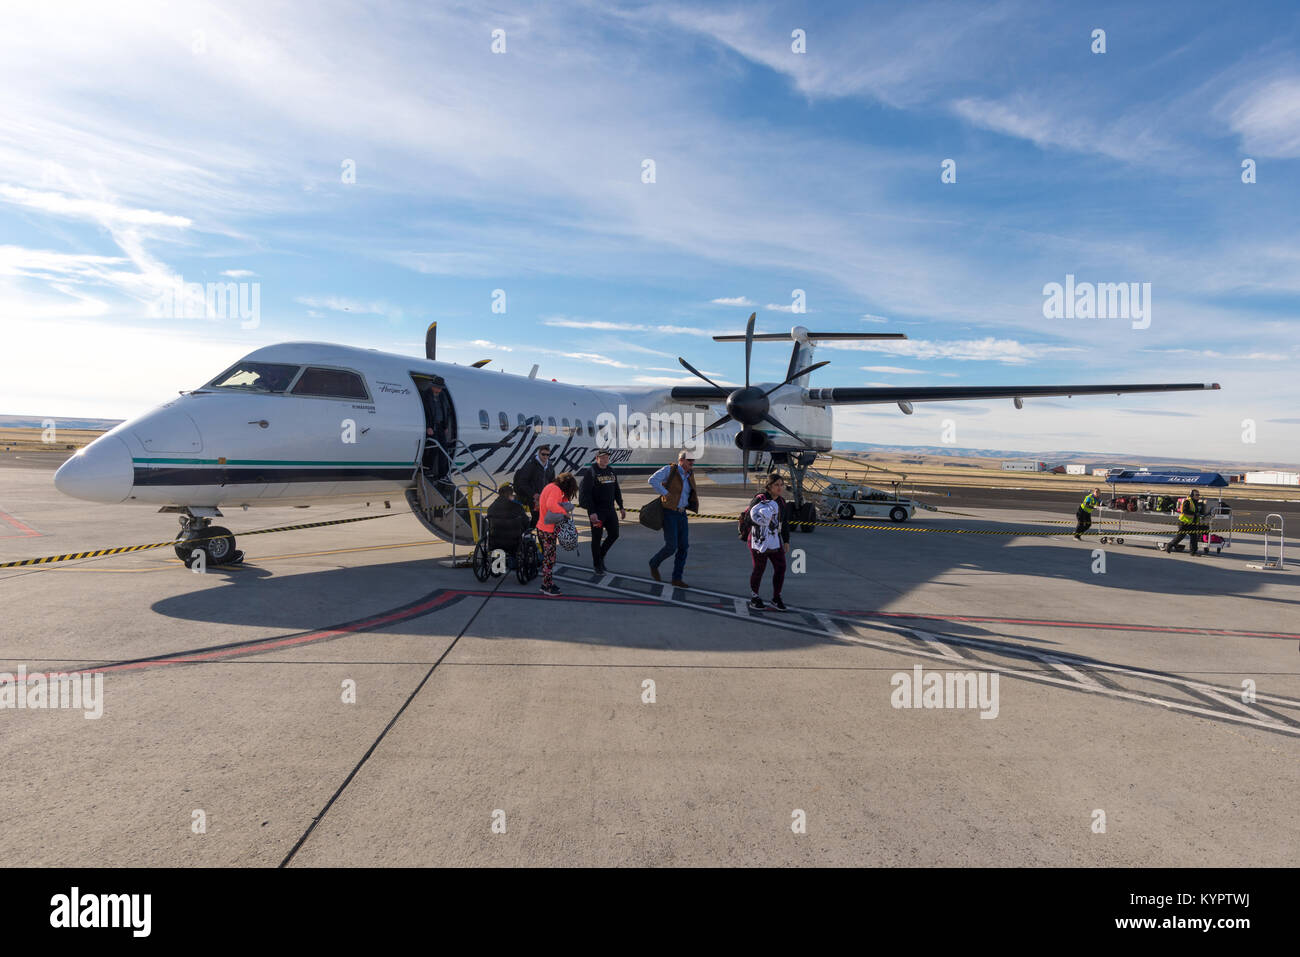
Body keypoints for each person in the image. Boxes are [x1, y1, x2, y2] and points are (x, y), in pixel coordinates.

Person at [648, 450, 698, 587]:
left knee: (684, 547)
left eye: (693, 460)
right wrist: (665, 493)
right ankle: (654, 563)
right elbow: (652, 480)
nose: (692, 463)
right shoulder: (669, 470)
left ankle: (677, 578)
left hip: (682, 514)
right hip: (669, 513)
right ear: (681, 460)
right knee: (671, 546)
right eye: (689, 460)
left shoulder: (690, 474)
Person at [744, 473, 791, 612]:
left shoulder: (782, 502)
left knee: (781, 567)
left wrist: (786, 540)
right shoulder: (760, 499)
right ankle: (755, 597)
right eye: (776, 485)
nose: (780, 487)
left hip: (774, 541)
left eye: (781, 485)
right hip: (758, 540)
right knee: (759, 568)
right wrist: (764, 520)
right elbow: (748, 518)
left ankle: (776, 597)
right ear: (769, 486)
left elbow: (785, 523)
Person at [579, 448, 625, 574]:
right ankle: (597, 564)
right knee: (596, 538)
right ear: (597, 458)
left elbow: (616, 490)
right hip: (597, 512)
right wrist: (591, 511)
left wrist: (621, 506)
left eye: (607, 457)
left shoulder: (611, 471)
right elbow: (586, 494)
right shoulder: (591, 472)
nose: (605, 459)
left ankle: (601, 556)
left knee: (614, 534)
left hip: (610, 510)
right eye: (602, 457)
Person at [536, 472, 578, 596]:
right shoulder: (555, 490)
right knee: (549, 559)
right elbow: (551, 505)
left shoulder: (551, 486)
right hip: (548, 530)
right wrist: (564, 513)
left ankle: (546, 583)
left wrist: (564, 500)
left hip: (543, 527)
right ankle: (547, 586)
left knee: (549, 558)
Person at [513, 444, 555, 527]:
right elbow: (522, 482)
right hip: (533, 498)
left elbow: (552, 482)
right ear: (539, 453)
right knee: (537, 519)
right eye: (543, 454)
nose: (545, 457)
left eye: (547, 455)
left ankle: (534, 535)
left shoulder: (549, 466)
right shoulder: (531, 465)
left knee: (544, 519)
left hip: (544, 498)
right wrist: (533, 494)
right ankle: (527, 533)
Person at [420, 376, 452, 482]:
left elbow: (446, 410)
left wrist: (446, 426)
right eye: (437, 387)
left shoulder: (442, 396)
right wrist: (428, 426)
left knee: (443, 450)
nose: (439, 389)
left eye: (440, 388)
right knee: (432, 448)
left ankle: (442, 474)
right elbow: (425, 411)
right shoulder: (425, 395)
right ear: (432, 386)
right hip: (431, 426)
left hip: (440, 426)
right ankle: (427, 469)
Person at [485, 483, 529, 557]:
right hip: (514, 542)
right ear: (510, 494)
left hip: (495, 541)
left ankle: (499, 566)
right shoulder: (517, 507)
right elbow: (525, 521)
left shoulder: (491, 507)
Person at [1166, 488, 1203, 556]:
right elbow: (1185, 511)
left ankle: (1193, 552)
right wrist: (1195, 514)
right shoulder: (1187, 501)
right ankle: (1169, 545)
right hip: (1184, 522)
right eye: (1197, 494)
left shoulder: (1196, 502)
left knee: (1194, 537)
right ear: (1192, 495)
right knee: (1180, 536)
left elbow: (1196, 511)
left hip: (1192, 523)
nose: (1198, 496)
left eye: (1199, 494)